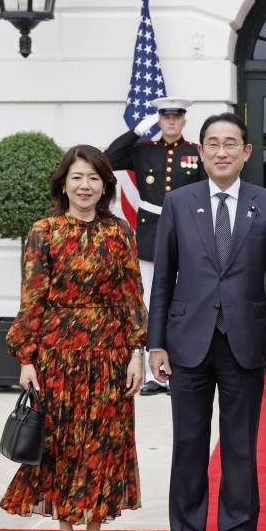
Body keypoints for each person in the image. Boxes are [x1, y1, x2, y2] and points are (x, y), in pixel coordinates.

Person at [148, 112, 266, 531]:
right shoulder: (178, 202)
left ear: (246, 152)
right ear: (201, 151)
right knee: (188, 447)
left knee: (240, 450)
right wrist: (155, 343)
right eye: (212, 143)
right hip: (187, 343)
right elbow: (162, 281)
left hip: (245, 344)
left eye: (231, 143)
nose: (222, 151)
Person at [0, 145, 147, 531]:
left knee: (105, 446)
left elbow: (131, 296)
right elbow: (32, 298)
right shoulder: (44, 231)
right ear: (63, 183)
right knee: (63, 448)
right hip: (57, 356)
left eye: (94, 178)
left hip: (110, 355)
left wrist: (136, 352)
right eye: (77, 177)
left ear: (105, 186)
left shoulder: (119, 232)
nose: (85, 186)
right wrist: (26, 357)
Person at [106, 96, 207, 395]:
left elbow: (203, 192)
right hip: (151, 234)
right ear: (159, 120)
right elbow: (110, 158)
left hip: (187, 232)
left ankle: (179, 369)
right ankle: (153, 373)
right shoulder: (142, 151)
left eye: (177, 117)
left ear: (184, 121)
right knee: (150, 301)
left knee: (184, 302)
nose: (172, 122)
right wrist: (137, 131)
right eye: (166, 117)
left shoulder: (195, 152)